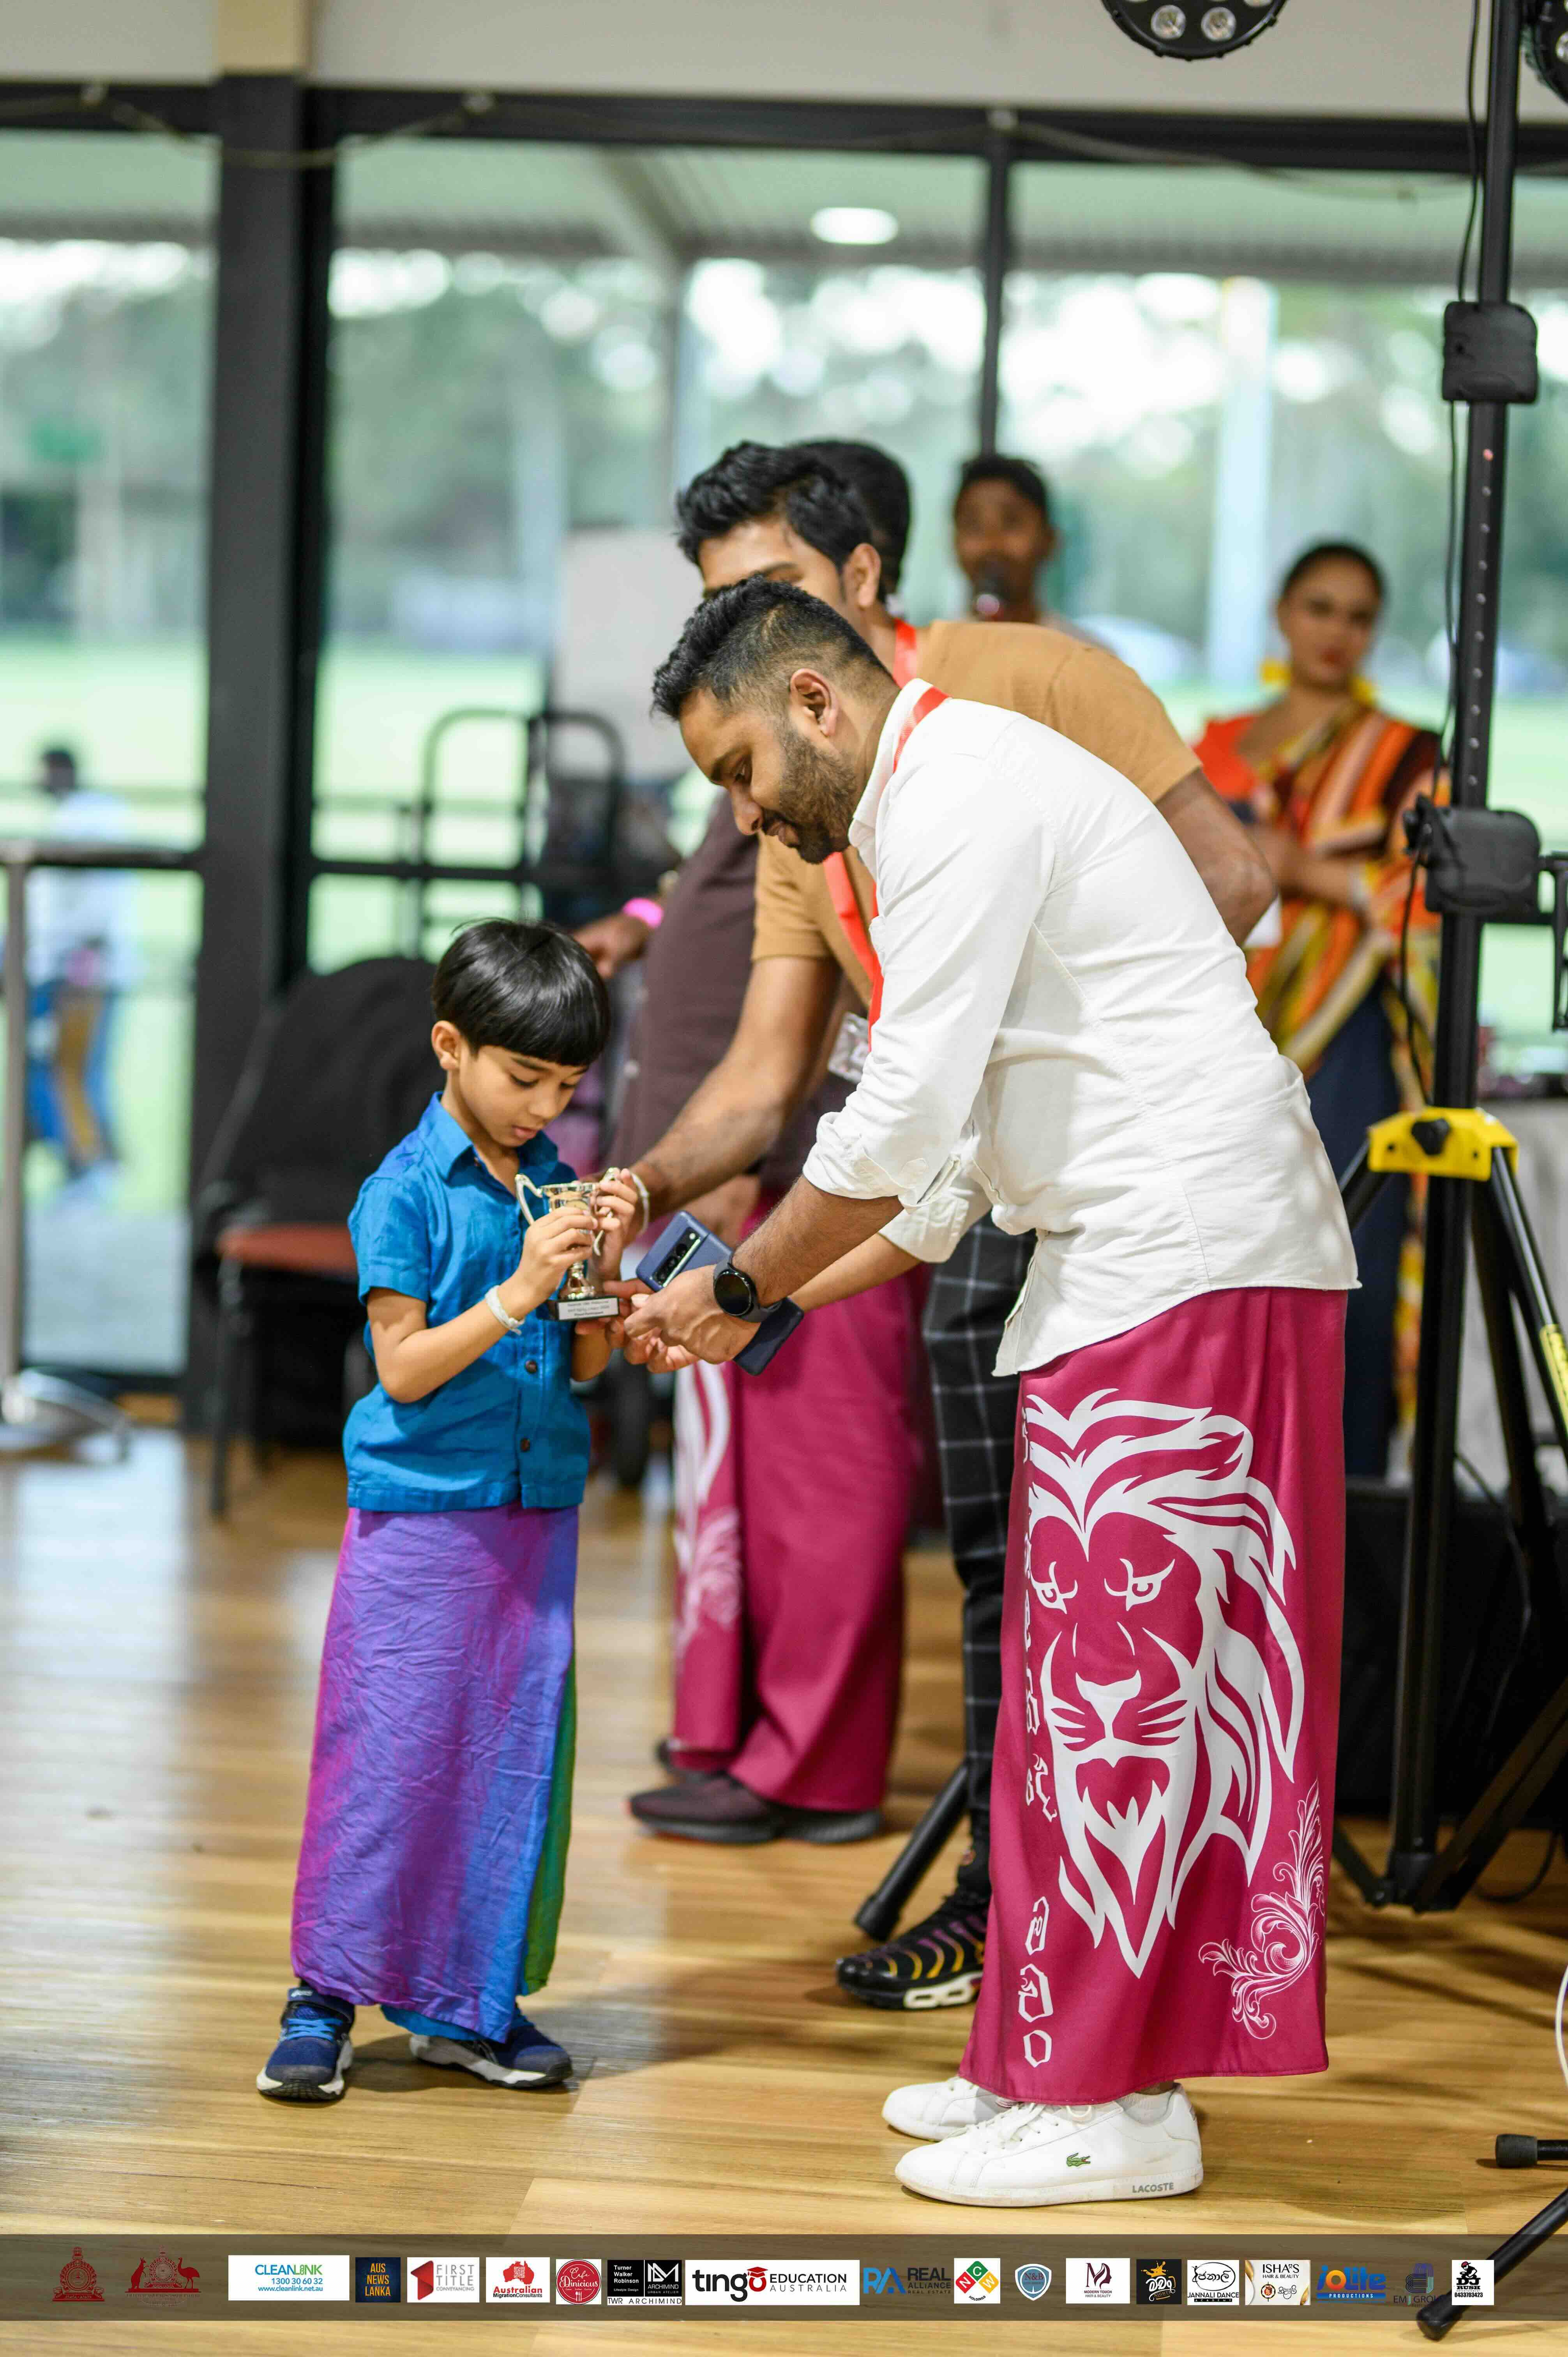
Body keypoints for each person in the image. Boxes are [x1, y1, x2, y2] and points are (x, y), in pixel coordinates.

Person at [616, 578, 1355, 2207]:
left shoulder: (957, 793)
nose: (738, 815)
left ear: (815, 700)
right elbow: (939, 1181)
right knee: (1048, 1707)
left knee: (1118, 1712)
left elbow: (887, 1140)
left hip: (1190, 1245)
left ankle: (1109, 2103)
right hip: (1130, 1256)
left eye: (738, 770)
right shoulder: (905, 820)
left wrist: (741, 1285)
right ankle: (1053, 2063)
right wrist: (749, 1314)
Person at [598, 443, 931, 1850]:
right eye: (716, 603)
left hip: (850, 1153)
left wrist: (749, 1159)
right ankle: (751, 1738)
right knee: (753, 1464)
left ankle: (811, 1759)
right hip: (762, 1146)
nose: (740, 633)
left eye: (772, 592)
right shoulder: (769, 752)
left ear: (859, 580)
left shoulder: (932, 725)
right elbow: (756, 1019)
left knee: (828, 1460)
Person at [256, 920, 637, 2103]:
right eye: (523, 1079)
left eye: (567, 1086)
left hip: (536, 1506)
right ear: (449, 1047)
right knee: (387, 1758)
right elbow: (406, 1368)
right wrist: (523, 1286)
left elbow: (574, 1373)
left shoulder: (560, 1184)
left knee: (507, 1763)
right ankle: (322, 1993)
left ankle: (467, 2007)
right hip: (423, 1515)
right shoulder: (406, 1191)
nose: (545, 1107)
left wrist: (607, 1304)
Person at [1194, 542, 1441, 1479]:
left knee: (1343, 1266)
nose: (1334, 632)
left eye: (1355, 615)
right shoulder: (1214, 746)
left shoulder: (1402, 755)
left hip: (1343, 1047)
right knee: (1220, 1267)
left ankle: (1346, 1510)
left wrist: (1304, 872)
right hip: (1216, 1041)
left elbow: (1425, 898)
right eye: (1317, 607)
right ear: (1279, 612)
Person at [24, 745, 138, 1201]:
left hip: (78, 970)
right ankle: (88, 1163)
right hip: (74, 966)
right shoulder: (89, 817)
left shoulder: (85, 822)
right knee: (75, 1070)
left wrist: (79, 964)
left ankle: (88, 1166)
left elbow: (92, 907)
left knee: (68, 1071)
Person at [950, 454, 1059, 626]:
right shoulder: (935, 651)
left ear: (1049, 541)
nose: (991, 544)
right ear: (954, 543)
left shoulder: (1082, 651)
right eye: (973, 526)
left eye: (1011, 523)